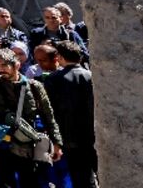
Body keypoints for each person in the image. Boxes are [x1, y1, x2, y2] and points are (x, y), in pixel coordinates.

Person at [0, 48, 62, 188]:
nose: (0, 69)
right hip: (1, 144)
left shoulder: (34, 87)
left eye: (4, 65)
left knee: (30, 181)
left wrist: (56, 143)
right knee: (5, 183)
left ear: (16, 65)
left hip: (27, 145)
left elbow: (48, 116)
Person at [43, 41, 96, 187]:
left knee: (80, 178)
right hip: (94, 135)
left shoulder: (54, 79)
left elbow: (50, 112)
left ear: (60, 57)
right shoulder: (91, 76)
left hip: (69, 137)